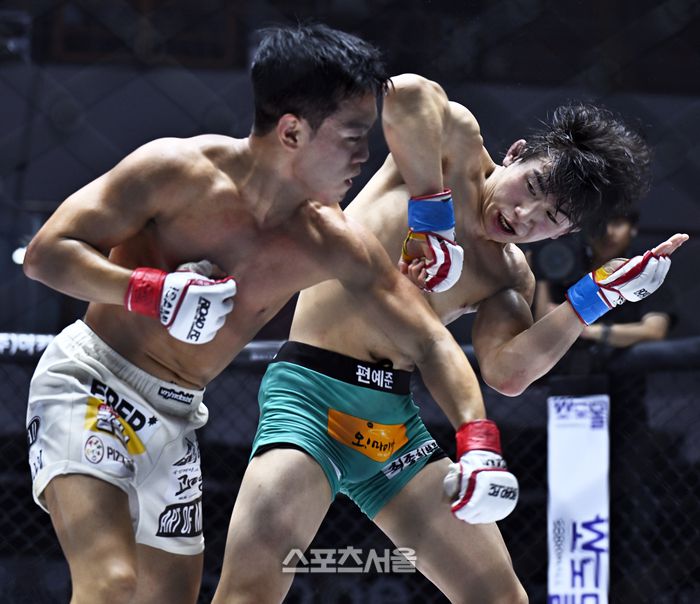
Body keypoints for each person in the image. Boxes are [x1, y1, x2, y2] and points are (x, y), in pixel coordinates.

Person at [22, 30, 515, 604]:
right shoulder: (175, 171)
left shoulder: (328, 239)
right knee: (111, 584)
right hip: (92, 381)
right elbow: (46, 254)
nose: (364, 155)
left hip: (178, 414)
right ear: (292, 132)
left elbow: (430, 341)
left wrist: (478, 439)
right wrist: (147, 291)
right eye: (352, 137)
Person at [212, 75, 687, 603]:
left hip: (391, 427)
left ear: (564, 234)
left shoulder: (508, 275)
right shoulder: (453, 150)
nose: (523, 216)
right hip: (310, 399)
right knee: (249, 593)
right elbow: (404, 92)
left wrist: (595, 298)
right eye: (531, 188)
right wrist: (432, 216)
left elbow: (508, 372)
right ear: (515, 154)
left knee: (501, 599)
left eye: (549, 218)